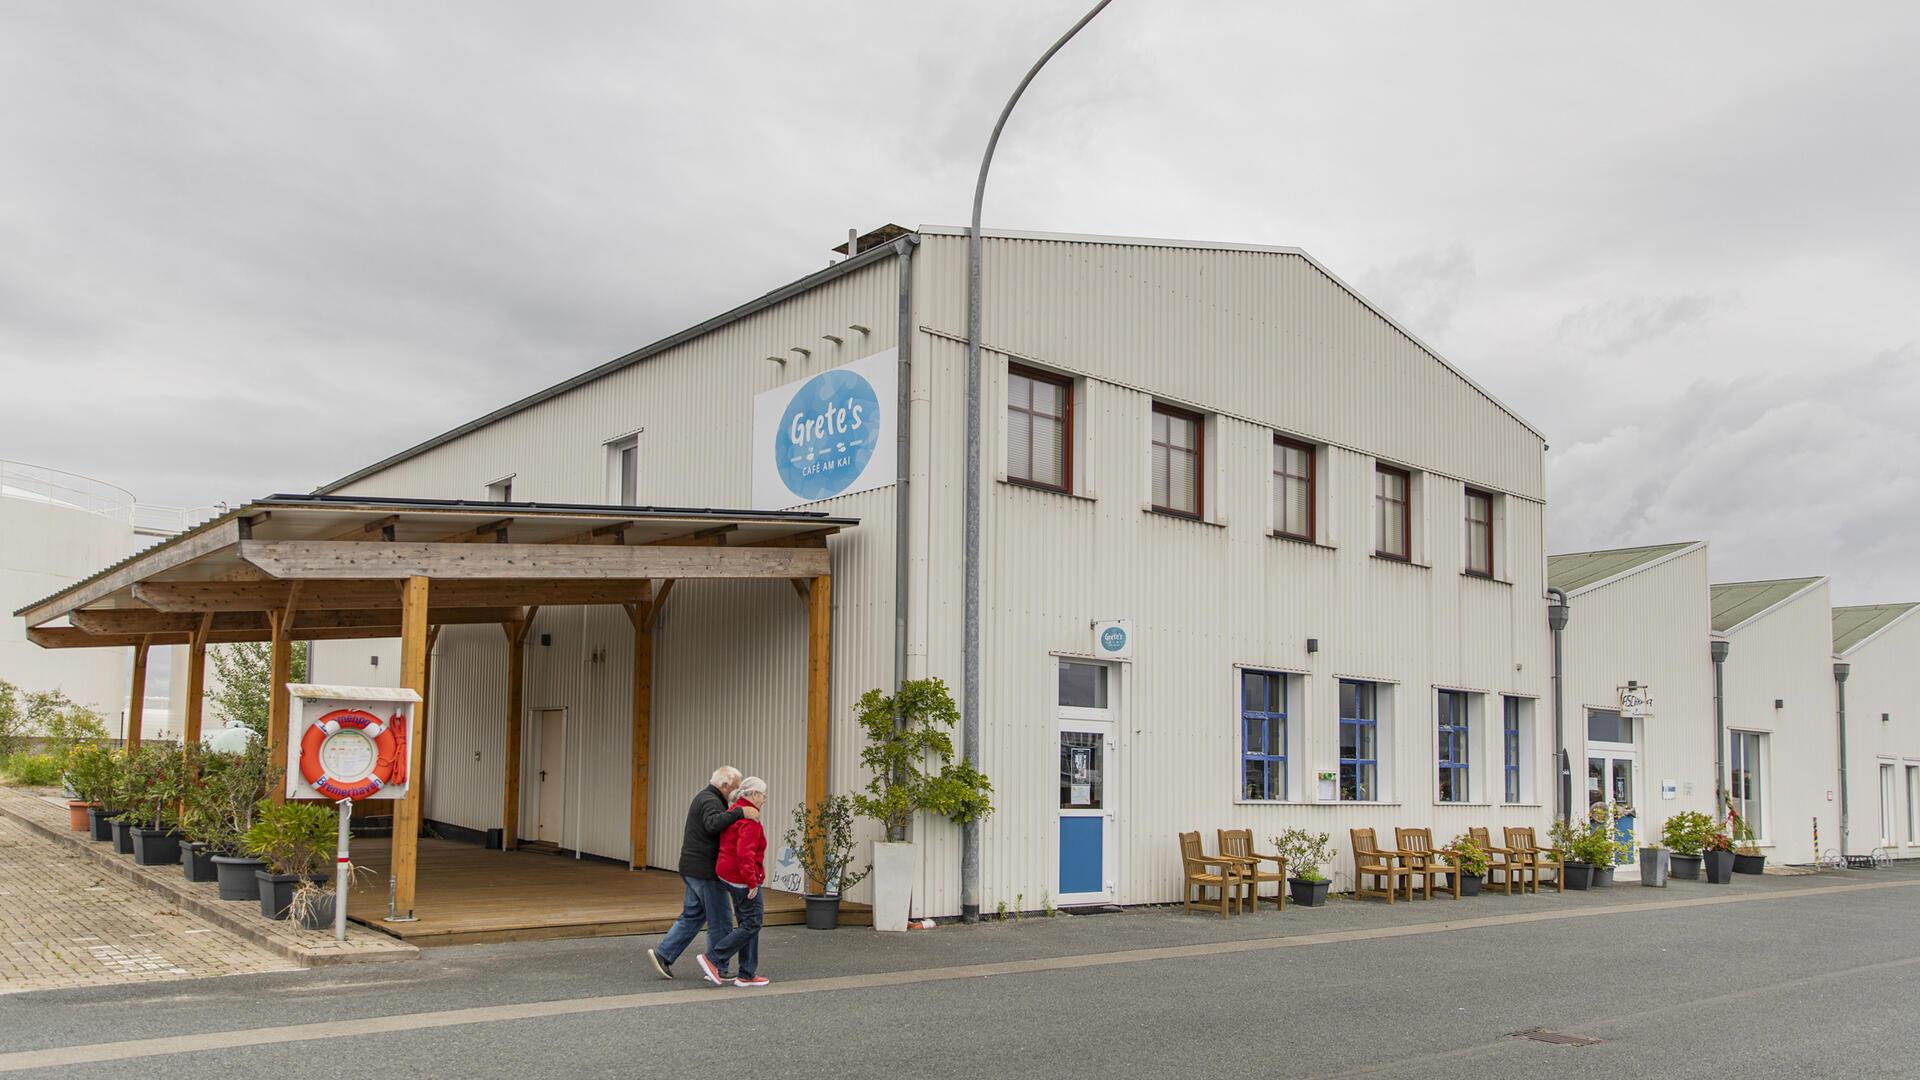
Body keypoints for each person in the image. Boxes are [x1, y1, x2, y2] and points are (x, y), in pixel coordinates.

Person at [648, 766, 759, 980]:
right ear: (724, 785)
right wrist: (740, 812)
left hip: (691, 868)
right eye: (735, 788)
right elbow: (712, 824)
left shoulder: (705, 797)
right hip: (705, 871)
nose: (736, 793)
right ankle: (719, 966)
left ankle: (663, 954)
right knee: (721, 919)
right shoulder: (710, 800)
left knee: (693, 915)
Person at [697, 776, 770, 988]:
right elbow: (745, 854)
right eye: (763, 795)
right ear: (754, 794)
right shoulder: (750, 819)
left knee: (748, 923)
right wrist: (752, 882)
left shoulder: (735, 810)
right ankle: (714, 959)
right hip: (741, 878)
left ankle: (747, 973)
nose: (765, 799)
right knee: (753, 922)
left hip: (725, 873)